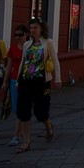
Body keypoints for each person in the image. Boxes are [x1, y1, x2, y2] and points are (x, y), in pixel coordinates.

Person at [16, 18, 61, 154]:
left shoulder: (48, 43)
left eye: (35, 28)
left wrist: (58, 79)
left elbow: (55, 61)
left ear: (41, 29)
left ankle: (48, 126)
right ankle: (26, 142)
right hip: (26, 81)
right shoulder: (27, 45)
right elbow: (23, 63)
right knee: (23, 111)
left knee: (40, 111)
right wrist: (18, 80)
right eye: (31, 28)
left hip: (42, 81)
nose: (32, 30)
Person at [4, 24, 30, 146]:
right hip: (14, 80)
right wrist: (5, 81)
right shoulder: (13, 49)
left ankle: (16, 135)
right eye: (16, 35)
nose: (18, 37)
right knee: (16, 108)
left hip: (26, 81)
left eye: (21, 35)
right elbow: (9, 65)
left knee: (21, 108)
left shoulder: (30, 48)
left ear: (26, 35)